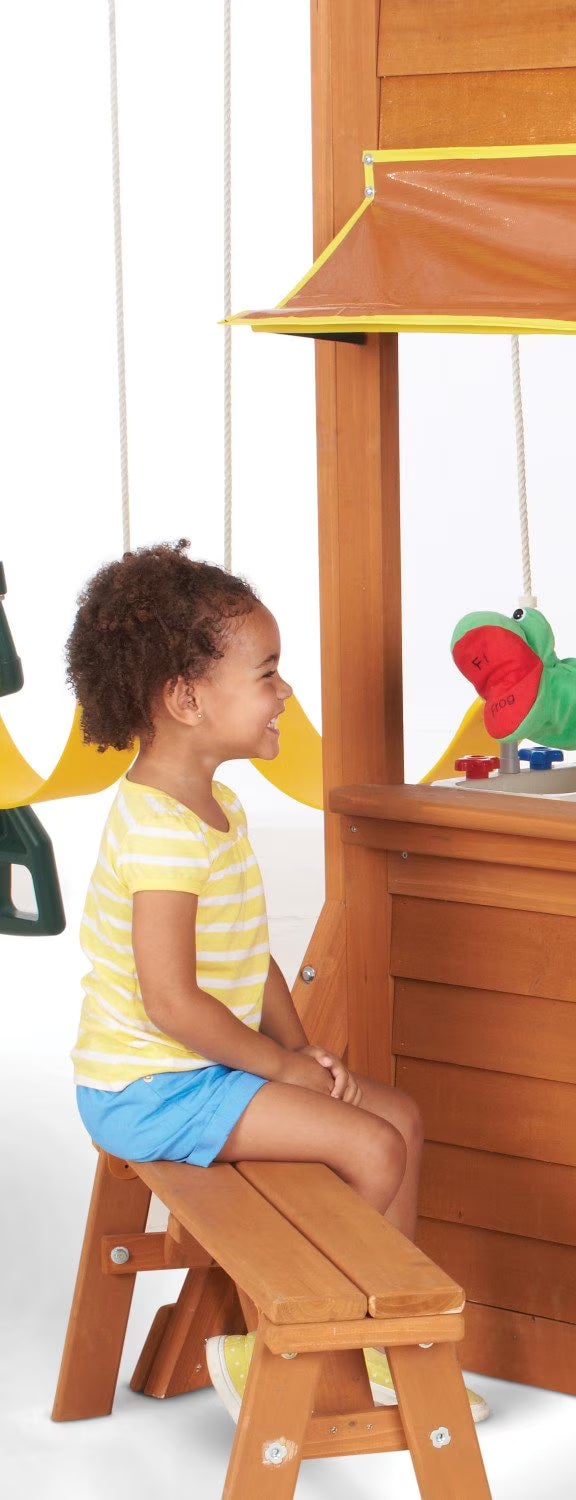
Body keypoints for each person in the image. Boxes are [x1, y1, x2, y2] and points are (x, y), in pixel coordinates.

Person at [64, 541, 488, 1423]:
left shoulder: (217, 807)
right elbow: (172, 1002)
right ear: (185, 699)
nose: (286, 691)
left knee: (398, 1116)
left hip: (202, 1069)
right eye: (267, 673)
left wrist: (299, 1049)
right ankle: (288, 1343)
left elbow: (245, 955)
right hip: (149, 1086)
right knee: (369, 1147)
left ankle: (375, 1342)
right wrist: (276, 1068)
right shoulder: (160, 835)